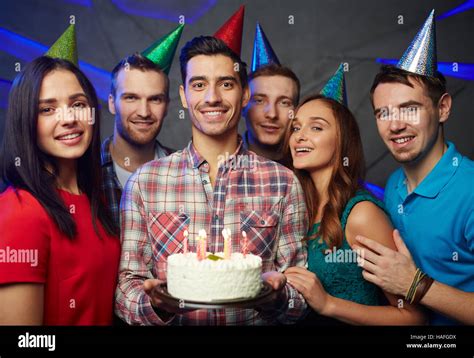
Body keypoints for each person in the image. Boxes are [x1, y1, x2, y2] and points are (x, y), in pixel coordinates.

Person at [114, 32, 308, 325]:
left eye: (226, 84)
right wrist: (158, 305)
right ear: (183, 96)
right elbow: (126, 289)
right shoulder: (145, 183)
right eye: (199, 84)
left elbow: (300, 294)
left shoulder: (283, 183)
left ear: (244, 95)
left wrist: (279, 296)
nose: (212, 97)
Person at [356, 10, 474, 325]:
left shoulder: (470, 191)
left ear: (443, 108)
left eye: (409, 109)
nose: (395, 125)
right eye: (383, 113)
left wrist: (415, 285)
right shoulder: (394, 184)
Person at [283, 65, 425, 325]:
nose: (300, 137)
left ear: (342, 140)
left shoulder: (361, 214)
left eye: (316, 128)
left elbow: (412, 317)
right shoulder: (301, 205)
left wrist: (329, 304)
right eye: (296, 128)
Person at [0, 37, 119, 324]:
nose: (68, 118)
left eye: (77, 104)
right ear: (25, 121)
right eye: (47, 109)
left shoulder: (96, 199)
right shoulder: (20, 213)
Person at [102, 24, 184, 228]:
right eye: (131, 98)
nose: (144, 112)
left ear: (166, 106)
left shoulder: (187, 173)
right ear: (112, 103)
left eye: (155, 99)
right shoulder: (82, 173)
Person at [242, 23, 300, 162]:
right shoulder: (219, 165)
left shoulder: (310, 170)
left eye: (284, 103)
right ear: (242, 106)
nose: (272, 114)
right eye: (259, 100)